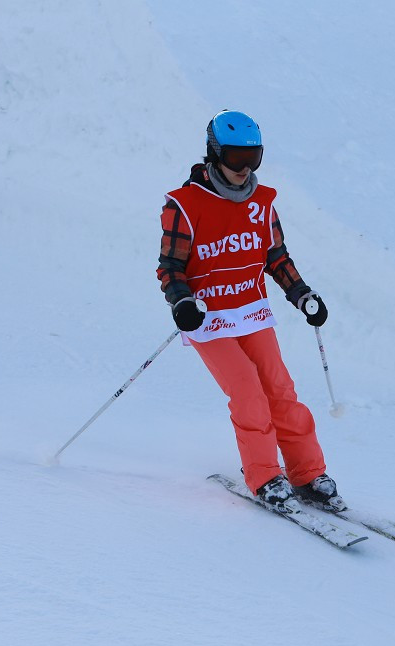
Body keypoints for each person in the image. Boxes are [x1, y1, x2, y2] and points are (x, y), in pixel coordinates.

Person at [156, 109, 344, 513]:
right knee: (247, 391)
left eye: (253, 158)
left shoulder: (262, 202)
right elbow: (171, 266)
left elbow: (275, 256)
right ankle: (264, 476)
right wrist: (182, 302)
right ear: (213, 153)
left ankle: (308, 473)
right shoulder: (184, 205)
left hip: (251, 311)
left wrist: (301, 294)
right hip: (209, 320)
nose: (244, 169)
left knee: (279, 390)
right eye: (235, 158)